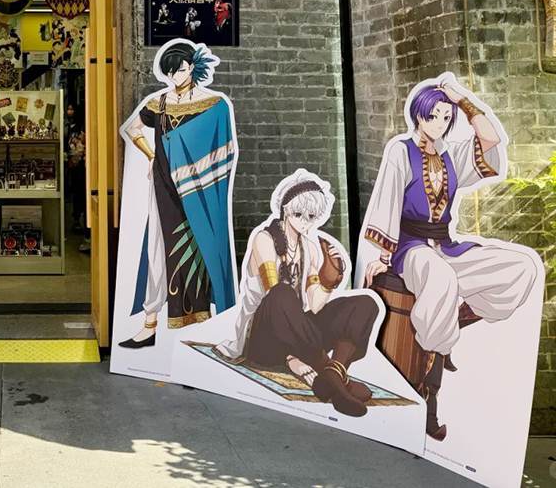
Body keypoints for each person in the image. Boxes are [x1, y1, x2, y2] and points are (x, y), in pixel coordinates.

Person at [361, 76, 539, 439]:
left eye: (446, 117)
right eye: (434, 116)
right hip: (410, 248)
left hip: (446, 245)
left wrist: (463, 101)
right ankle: (430, 394)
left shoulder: (451, 154)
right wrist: (384, 255)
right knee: (440, 278)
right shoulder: (400, 151)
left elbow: (490, 141)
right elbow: (387, 199)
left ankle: (448, 326)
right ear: (419, 116)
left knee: (520, 268)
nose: (441, 123)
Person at [215, 171, 379, 417]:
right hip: (263, 338)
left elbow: (315, 305)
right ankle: (332, 376)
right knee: (282, 292)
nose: (304, 221)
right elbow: (273, 291)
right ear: (285, 209)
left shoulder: (309, 248)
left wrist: (329, 281)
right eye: (298, 214)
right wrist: (293, 358)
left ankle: (335, 372)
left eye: (311, 216)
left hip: (299, 335)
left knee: (364, 304)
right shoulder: (264, 239)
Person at [118, 40, 237, 348]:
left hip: (198, 188)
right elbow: (131, 129)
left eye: (181, 70)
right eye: (170, 72)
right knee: (157, 248)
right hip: (163, 185)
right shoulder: (160, 102)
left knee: (200, 247)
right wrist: (153, 155)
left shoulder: (213, 104)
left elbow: (223, 147)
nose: (175, 77)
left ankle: (203, 327)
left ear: (193, 67)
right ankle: (150, 324)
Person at [64, 102, 90, 252]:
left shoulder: (84, 128)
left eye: (72, 108)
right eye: (68, 108)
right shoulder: (72, 127)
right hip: (76, 168)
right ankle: (78, 222)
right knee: (78, 196)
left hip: (84, 169)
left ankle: (88, 236)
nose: (69, 111)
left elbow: (80, 147)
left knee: (83, 198)